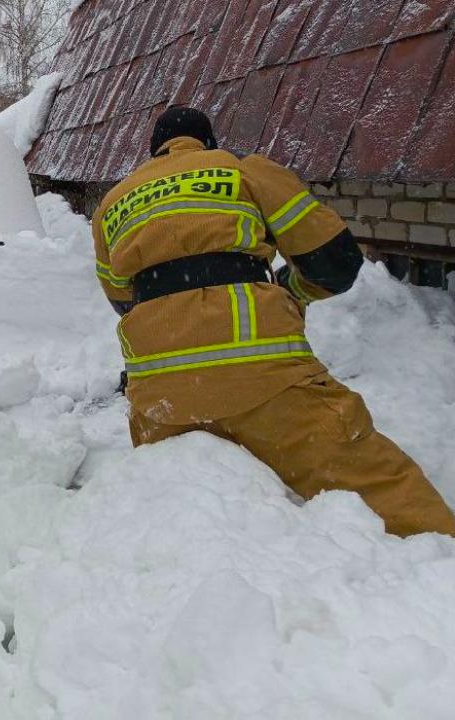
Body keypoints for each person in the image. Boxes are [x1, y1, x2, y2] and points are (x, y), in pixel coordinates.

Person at [93, 106, 455, 537]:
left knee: (189, 526)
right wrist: (292, 291)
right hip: (266, 382)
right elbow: (334, 262)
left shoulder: (112, 205)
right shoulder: (243, 171)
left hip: (162, 401)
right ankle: (436, 555)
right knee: (383, 493)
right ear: (209, 144)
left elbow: (124, 300)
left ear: (154, 154)